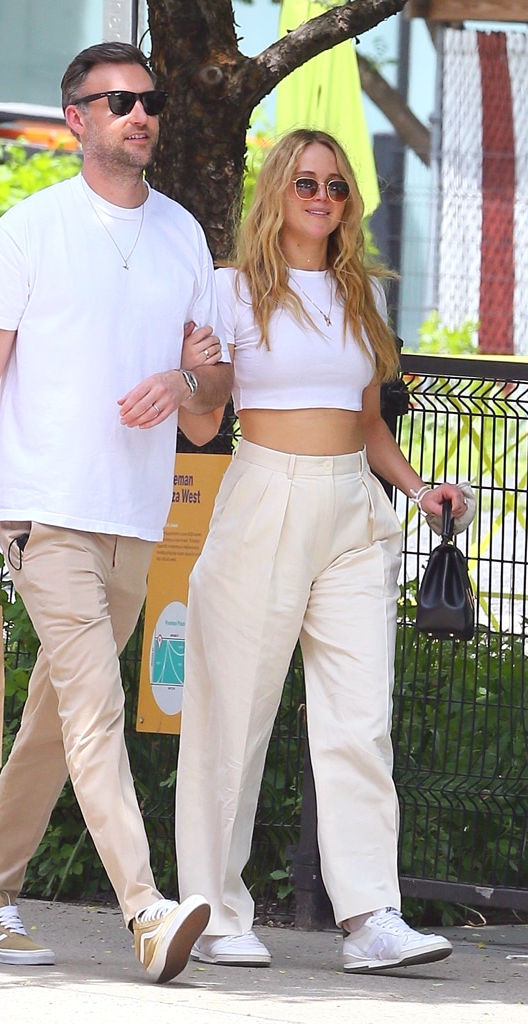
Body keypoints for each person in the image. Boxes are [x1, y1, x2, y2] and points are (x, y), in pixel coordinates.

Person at [0, 41, 233, 984]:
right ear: (77, 120)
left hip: (135, 516)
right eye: (119, 101)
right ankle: (146, 910)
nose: (142, 114)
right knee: (96, 705)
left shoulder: (183, 235)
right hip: (42, 510)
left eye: (151, 100)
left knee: (58, 718)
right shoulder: (28, 230)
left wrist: (179, 379)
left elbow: (213, 399)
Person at [175, 128, 474, 974]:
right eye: (307, 183)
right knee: (234, 713)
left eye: (337, 187)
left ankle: (372, 916)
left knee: (359, 719)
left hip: (353, 502)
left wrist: (417, 490)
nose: (322, 198)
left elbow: (368, 422)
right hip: (264, 492)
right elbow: (202, 424)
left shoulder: (363, 296)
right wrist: (199, 372)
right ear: (279, 191)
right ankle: (215, 910)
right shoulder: (231, 290)